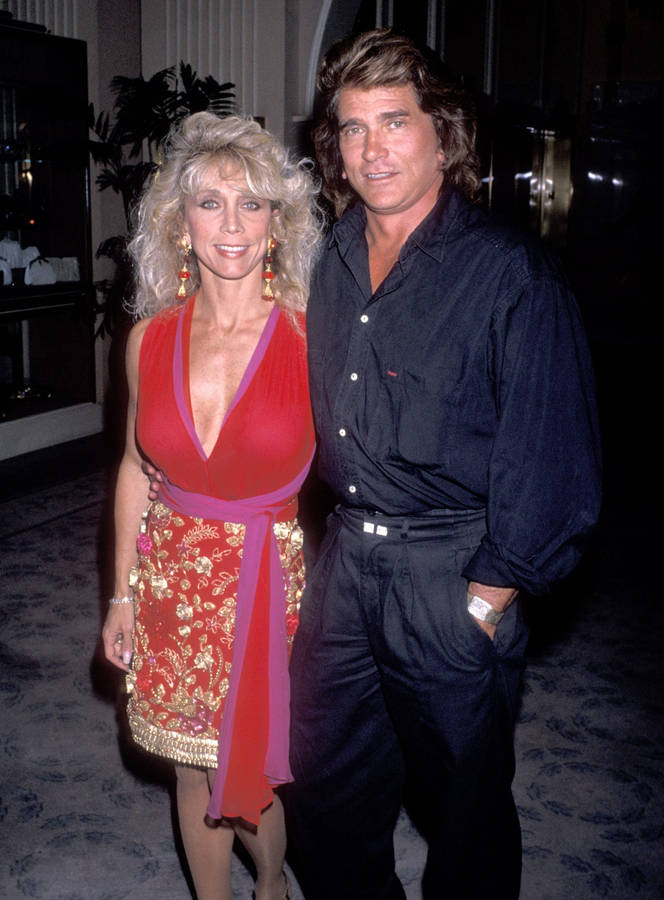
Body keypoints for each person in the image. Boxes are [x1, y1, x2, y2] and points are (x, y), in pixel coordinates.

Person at [285, 29, 602, 900]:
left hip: (453, 566)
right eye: (352, 129)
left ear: (444, 134)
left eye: (394, 121)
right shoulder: (327, 258)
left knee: (464, 810)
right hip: (346, 561)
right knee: (321, 791)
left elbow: (556, 460)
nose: (372, 148)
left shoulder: (510, 275)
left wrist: (491, 592)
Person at [101, 111, 321, 900]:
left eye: (252, 203)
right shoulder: (148, 339)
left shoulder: (311, 334)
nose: (231, 224)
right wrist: (121, 593)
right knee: (192, 767)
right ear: (180, 223)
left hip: (268, 578)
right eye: (210, 203)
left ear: (277, 224)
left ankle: (270, 885)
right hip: (174, 581)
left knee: (252, 765)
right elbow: (133, 468)